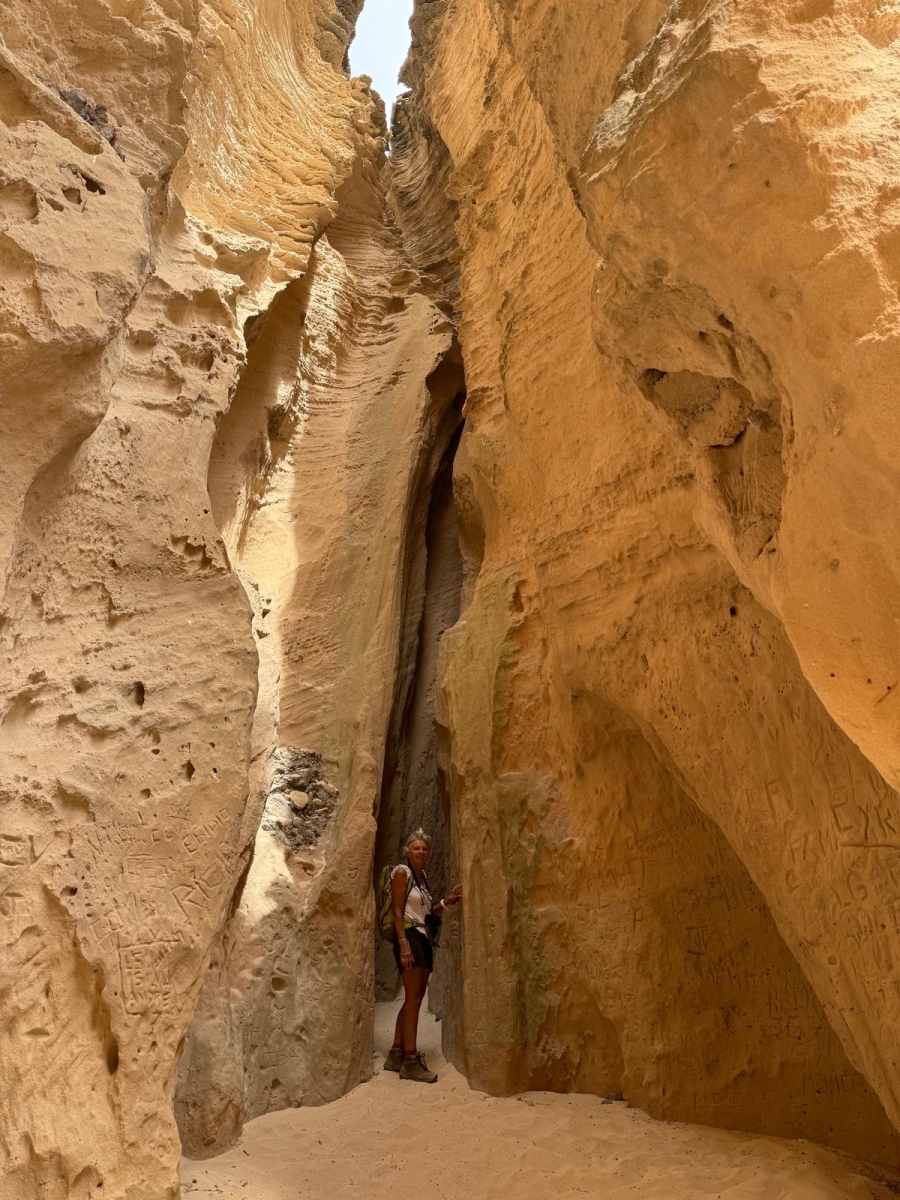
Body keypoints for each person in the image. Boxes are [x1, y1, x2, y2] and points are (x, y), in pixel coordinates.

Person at [384, 828, 461, 1083]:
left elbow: (429, 913)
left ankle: (396, 1053)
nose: (421, 851)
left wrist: (448, 900)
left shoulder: (422, 878)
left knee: (412, 998)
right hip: (409, 937)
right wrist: (404, 944)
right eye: (416, 848)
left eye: (424, 848)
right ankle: (410, 1061)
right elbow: (397, 912)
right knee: (414, 999)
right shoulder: (402, 873)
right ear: (408, 851)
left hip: (422, 937)